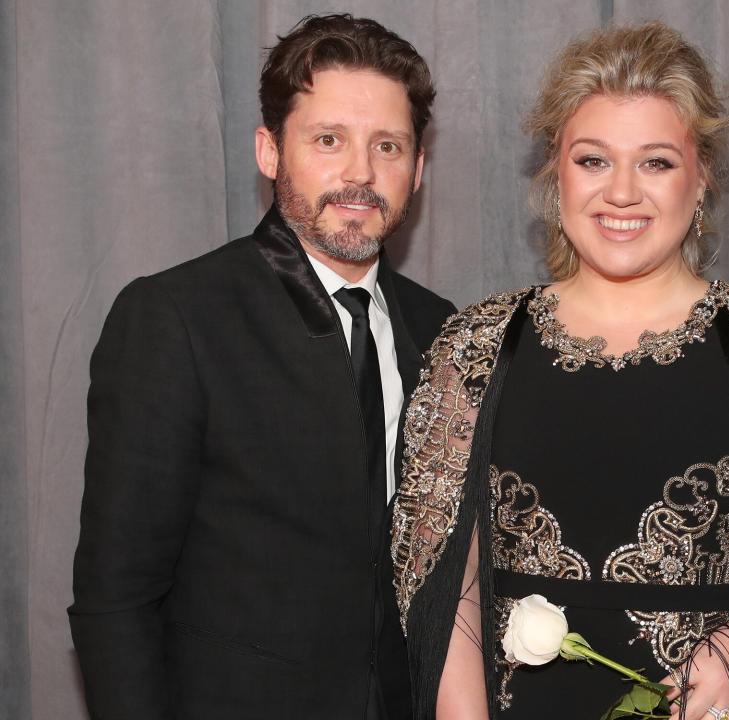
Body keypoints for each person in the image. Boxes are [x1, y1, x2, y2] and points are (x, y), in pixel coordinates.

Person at [392, 22, 729, 720]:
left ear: (701, 176)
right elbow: (442, 577)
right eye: (592, 160)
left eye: (655, 163)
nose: (621, 193)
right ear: (556, 173)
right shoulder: (473, 347)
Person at [69, 14, 455, 720]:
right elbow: (114, 599)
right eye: (329, 140)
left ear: (419, 168)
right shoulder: (178, 318)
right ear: (270, 150)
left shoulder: (443, 330)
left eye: (388, 146)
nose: (361, 174)